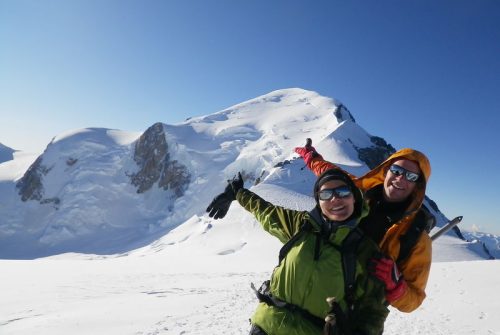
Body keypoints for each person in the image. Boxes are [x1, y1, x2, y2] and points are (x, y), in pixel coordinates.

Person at [206, 169, 389, 335]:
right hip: (265, 326)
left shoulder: (365, 250)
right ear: (318, 201)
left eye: (342, 192)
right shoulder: (302, 225)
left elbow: (373, 307)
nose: (335, 199)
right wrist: (237, 193)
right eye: (326, 194)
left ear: (354, 197)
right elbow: (266, 211)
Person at [295, 140, 432, 313]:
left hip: (354, 313)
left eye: (411, 177)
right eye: (396, 170)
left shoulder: (417, 237)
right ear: (385, 170)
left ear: (417, 185)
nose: (400, 179)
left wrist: (396, 286)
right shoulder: (358, 191)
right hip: (320, 285)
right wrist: (311, 157)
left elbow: (414, 299)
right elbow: (330, 172)